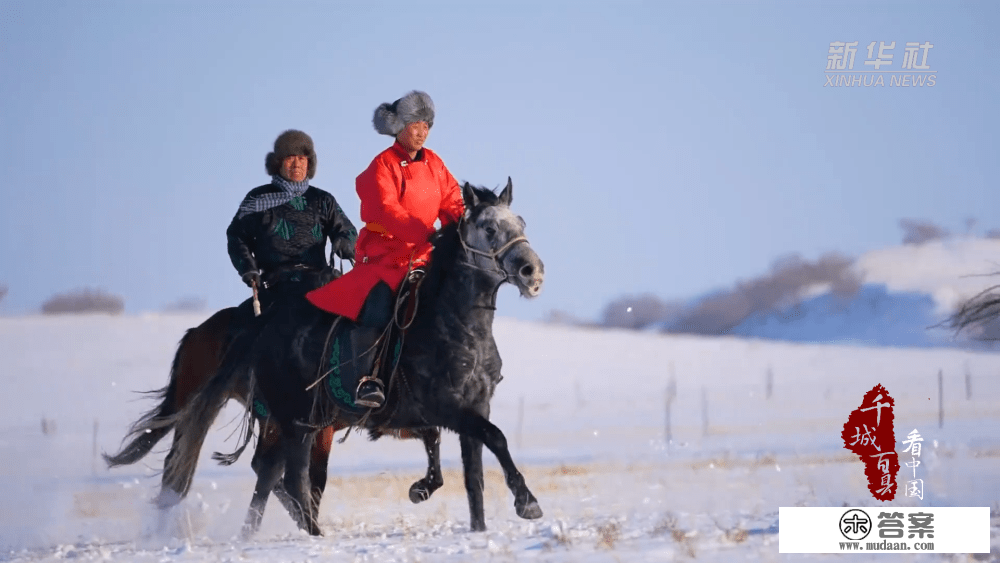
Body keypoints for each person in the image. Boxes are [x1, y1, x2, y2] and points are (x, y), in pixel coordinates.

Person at [307, 91, 465, 407]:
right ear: (399, 126)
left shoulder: (435, 163)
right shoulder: (382, 165)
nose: (421, 132)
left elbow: (452, 201)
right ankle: (369, 378)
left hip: (424, 256)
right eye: (415, 124)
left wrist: (461, 230)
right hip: (384, 257)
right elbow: (387, 209)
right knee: (379, 306)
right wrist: (424, 232)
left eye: (426, 126)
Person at [227, 129, 357, 325]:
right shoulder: (257, 199)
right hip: (276, 284)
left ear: (309, 164)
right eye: (290, 158)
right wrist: (248, 269)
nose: (297, 164)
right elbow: (237, 236)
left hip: (319, 281)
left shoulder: (323, 200)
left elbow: (347, 230)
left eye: (303, 158)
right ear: (277, 162)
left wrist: (344, 243)